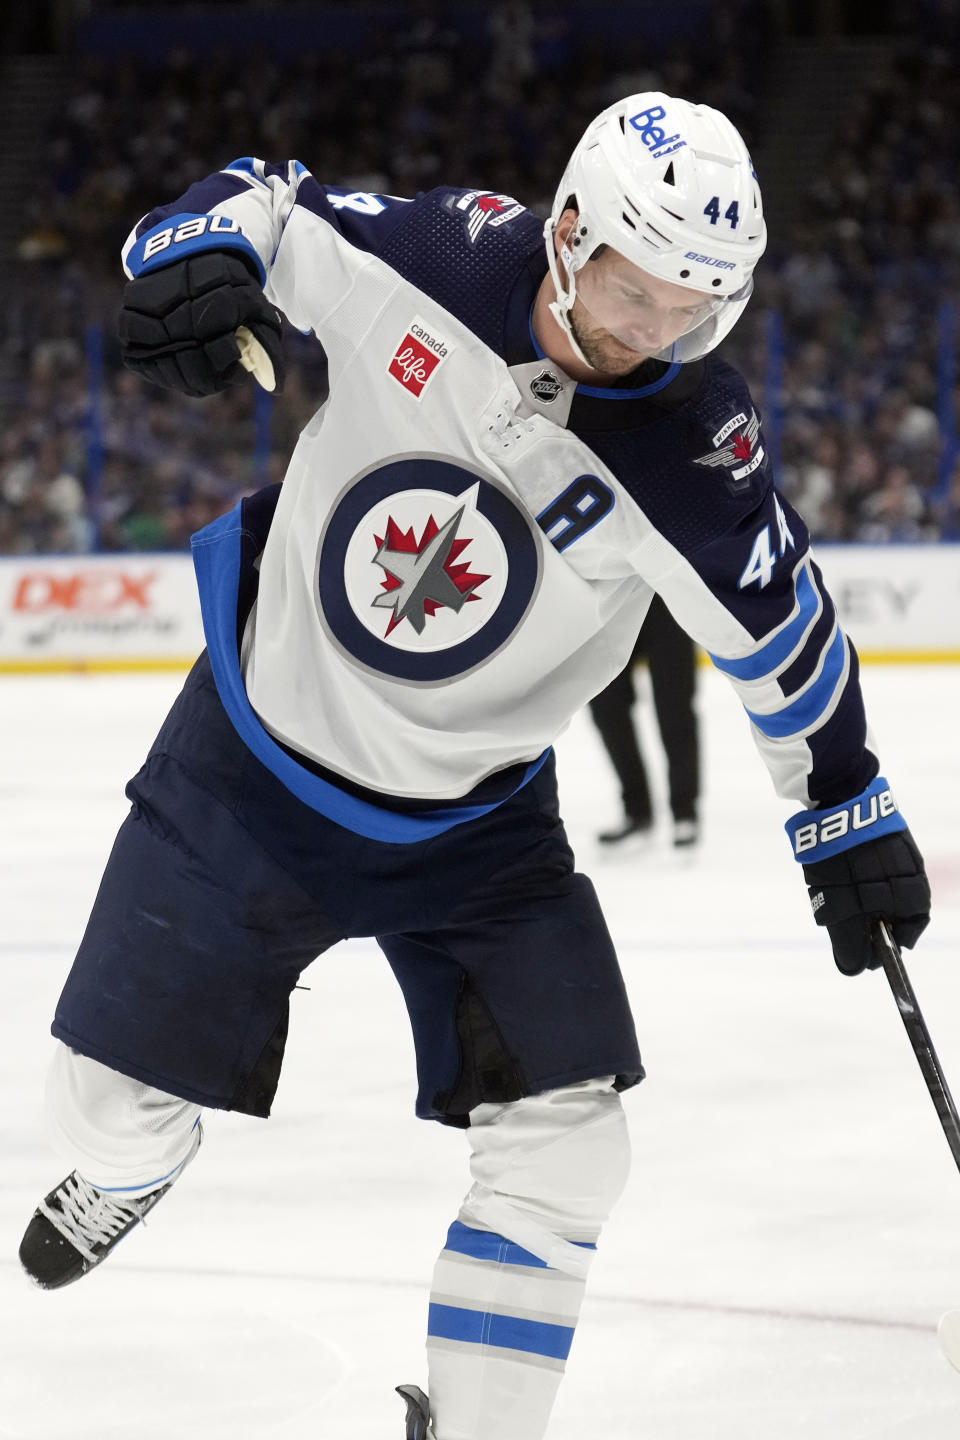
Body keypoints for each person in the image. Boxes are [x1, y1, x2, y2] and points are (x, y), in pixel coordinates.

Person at [19, 93, 930, 1440]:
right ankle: (132, 1162)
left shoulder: (689, 453)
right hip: (247, 776)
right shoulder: (436, 260)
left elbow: (780, 639)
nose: (651, 332)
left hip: (479, 835)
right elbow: (262, 201)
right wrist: (194, 258)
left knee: (572, 1141)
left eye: (693, 308)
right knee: (93, 1108)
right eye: (634, 288)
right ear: (568, 232)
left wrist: (846, 814)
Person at [590, 593, 700, 847]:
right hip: (606, 602)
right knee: (607, 707)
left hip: (664, 596)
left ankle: (685, 813)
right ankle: (636, 811)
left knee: (675, 710)